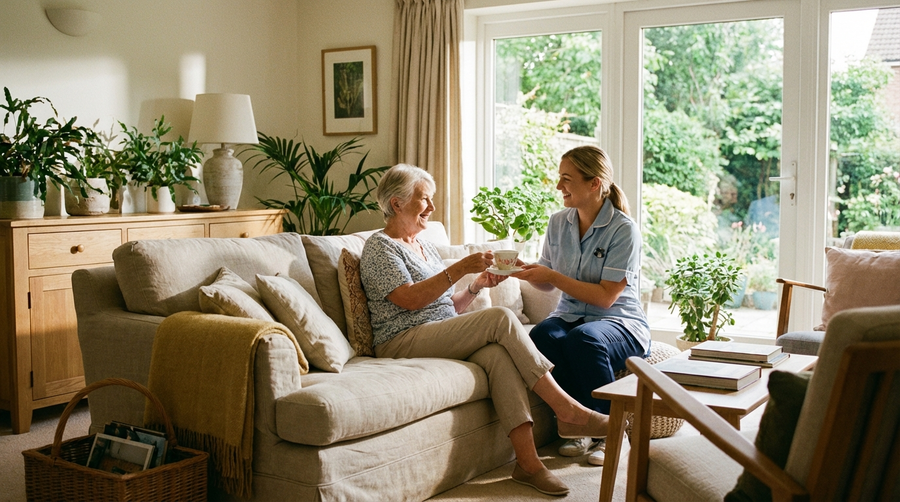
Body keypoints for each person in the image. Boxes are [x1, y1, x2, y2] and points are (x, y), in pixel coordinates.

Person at [360, 163, 609, 496]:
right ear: (397, 203)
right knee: (500, 318)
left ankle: (528, 464)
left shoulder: (424, 245)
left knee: (496, 356)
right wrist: (460, 267)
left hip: (435, 331)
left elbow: (446, 306)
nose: (432, 208)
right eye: (425, 200)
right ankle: (566, 409)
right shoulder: (380, 247)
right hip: (400, 340)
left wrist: (475, 286)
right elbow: (409, 300)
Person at [512, 145, 651, 466]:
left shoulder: (623, 230)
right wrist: (526, 271)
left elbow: (605, 297)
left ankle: (612, 433)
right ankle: (580, 427)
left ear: (594, 183)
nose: (559, 186)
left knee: (584, 339)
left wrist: (553, 276)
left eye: (566, 179)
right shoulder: (558, 223)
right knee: (543, 336)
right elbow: (547, 281)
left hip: (620, 322)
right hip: (571, 316)